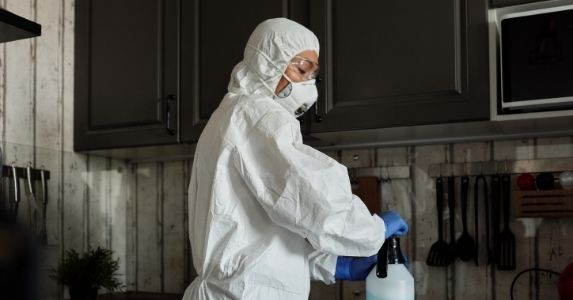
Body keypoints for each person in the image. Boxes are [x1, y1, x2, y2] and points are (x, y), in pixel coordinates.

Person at [183, 18, 408, 300]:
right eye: (302, 69)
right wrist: (374, 229)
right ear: (268, 63)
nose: (309, 83)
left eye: (313, 74)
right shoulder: (260, 116)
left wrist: (335, 265)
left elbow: (259, 236)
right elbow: (314, 199)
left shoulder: (232, 115)